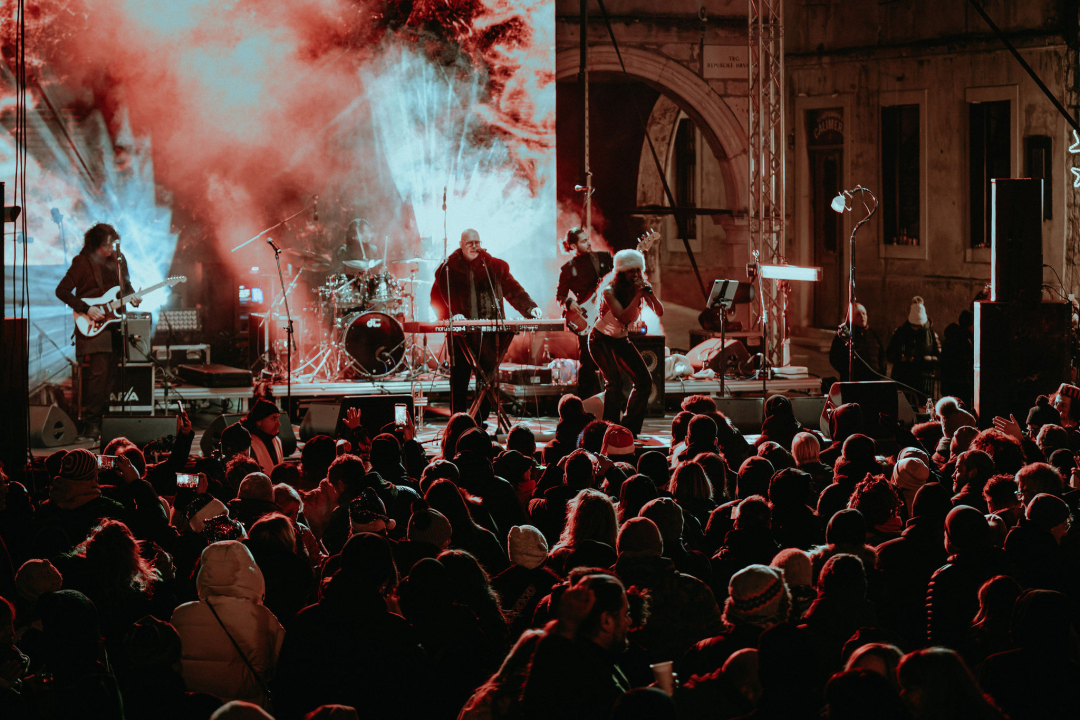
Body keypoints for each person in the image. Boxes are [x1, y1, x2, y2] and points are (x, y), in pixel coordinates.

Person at [430, 229, 542, 423]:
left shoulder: (495, 267)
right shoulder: (447, 269)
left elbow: (513, 290)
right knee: (460, 380)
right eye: (470, 242)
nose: (475, 246)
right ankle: (458, 424)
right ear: (461, 244)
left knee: (487, 380)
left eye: (477, 242)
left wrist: (530, 308)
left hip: (489, 336)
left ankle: (480, 423)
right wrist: (451, 316)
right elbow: (436, 299)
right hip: (460, 335)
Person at [54, 222, 140, 438]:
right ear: (95, 245)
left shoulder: (119, 261)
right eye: (105, 246)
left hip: (115, 326)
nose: (109, 250)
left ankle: (105, 421)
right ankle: (91, 423)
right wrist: (86, 308)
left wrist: (134, 298)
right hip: (92, 325)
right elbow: (62, 290)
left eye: (112, 245)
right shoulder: (82, 262)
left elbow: (126, 287)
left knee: (112, 375)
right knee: (98, 375)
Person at [586, 248, 663, 437]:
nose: (635, 275)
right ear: (621, 272)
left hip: (620, 339)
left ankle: (628, 428)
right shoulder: (609, 291)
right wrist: (638, 296)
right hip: (600, 339)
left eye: (638, 270)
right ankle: (608, 430)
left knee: (644, 380)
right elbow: (622, 317)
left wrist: (650, 295)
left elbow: (660, 311)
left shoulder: (635, 289)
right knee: (614, 381)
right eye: (631, 271)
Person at [556, 227, 613, 399]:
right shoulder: (567, 269)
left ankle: (611, 401)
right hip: (586, 318)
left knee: (610, 361)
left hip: (607, 316)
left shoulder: (603, 258)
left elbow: (616, 280)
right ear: (573, 246)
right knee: (587, 363)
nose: (588, 242)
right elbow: (560, 295)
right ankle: (585, 403)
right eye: (583, 241)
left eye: (588, 239)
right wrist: (569, 303)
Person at [886, 296, 940, 398]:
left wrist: (921, 359)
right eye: (913, 326)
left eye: (918, 326)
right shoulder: (900, 333)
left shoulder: (932, 335)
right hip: (903, 380)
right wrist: (900, 357)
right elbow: (889, 353)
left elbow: (938, 358)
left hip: (923, 382)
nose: (915, 328)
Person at [828, 303, 886, 382]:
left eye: (864, 314)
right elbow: (835, 358)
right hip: (853, 381)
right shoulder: (844, 335)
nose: (862, 316)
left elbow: (882, 355)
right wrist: (848, 372)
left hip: (874, 381)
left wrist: (880, 372)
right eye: (858, 314)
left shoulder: (872, 334)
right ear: (851, 317)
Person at [240, 399, 284, 473]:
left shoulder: (277, 440)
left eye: (278, 419)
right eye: (274, 418)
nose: (279, 424)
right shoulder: (247, 444)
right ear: (259, 421)